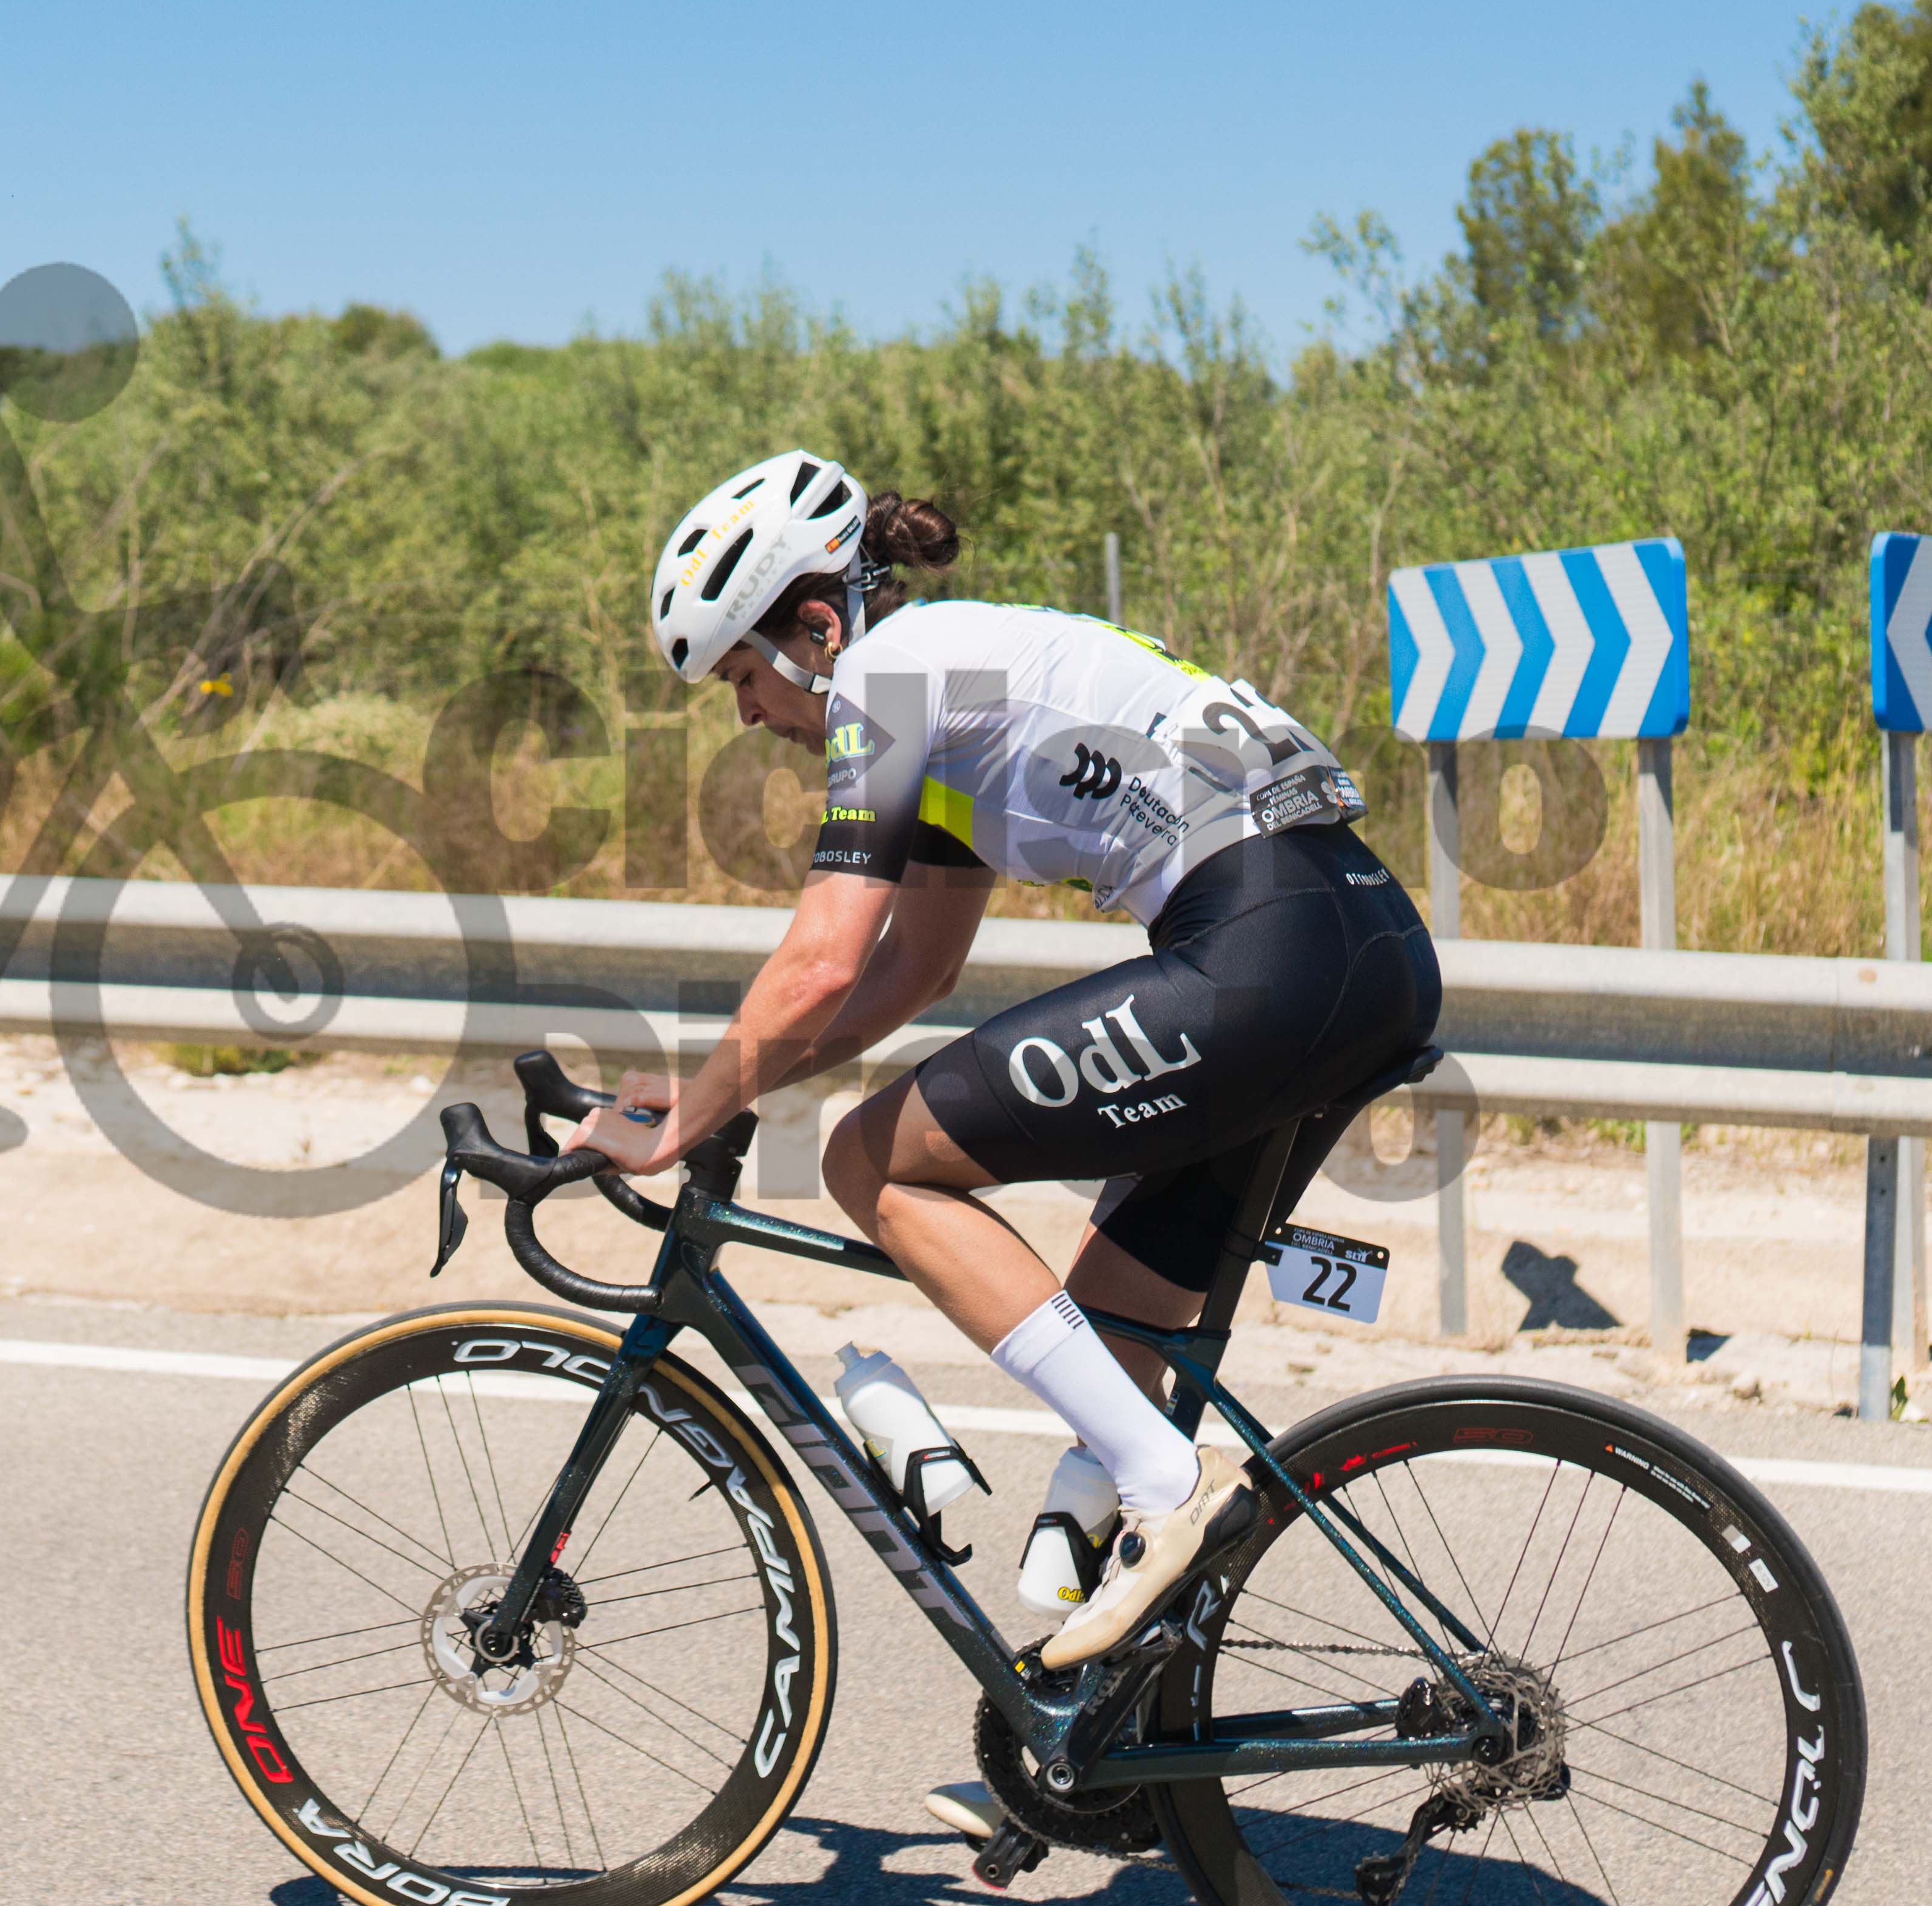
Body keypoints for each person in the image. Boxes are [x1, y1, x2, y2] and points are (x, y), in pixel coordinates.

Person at [577, 450, 1442, 1672]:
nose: (747, 716)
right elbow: (908, 974)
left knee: (870, 1162)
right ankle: (1114, 1715)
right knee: (1111, 1329)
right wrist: (729, 1085)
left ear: (815, 629)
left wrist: (686, 1124)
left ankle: (1171, 1487)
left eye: (741, 677)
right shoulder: (949, 684)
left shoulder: (887, 681)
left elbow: (821, 963)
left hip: (1271, 950)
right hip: (1354, 943)